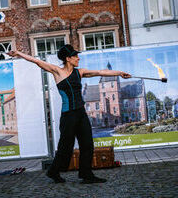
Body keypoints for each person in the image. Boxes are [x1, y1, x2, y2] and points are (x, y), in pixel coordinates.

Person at [8, 44, 131, 184]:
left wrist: (120, 73)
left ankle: (86, 174)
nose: (78, 58)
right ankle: (53, 171)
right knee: (66, 147)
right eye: (75, 56)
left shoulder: (80, 72)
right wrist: (18, 53)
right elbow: (37, 61)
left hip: (81, 114)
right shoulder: (57, 72)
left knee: (88, 144)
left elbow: (100, 72)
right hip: (68, 116)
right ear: (68, 58)